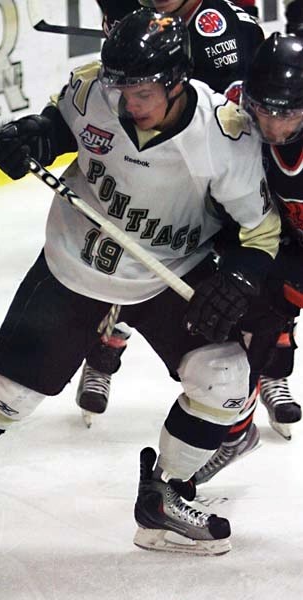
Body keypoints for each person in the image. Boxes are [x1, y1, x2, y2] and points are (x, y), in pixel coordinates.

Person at [0, 9, 281, 555]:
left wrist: (242, 273)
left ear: (177, 82)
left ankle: (166, 497)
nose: (126, 104)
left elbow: (261, 228)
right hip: (78, 262)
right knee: (7, 395)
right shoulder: (96, 90)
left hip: (169, 268)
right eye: (120, 89)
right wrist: (31, 140)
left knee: (227, 378)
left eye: (140, 93)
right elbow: (59, 127)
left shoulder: (222, 136)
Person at [79, 0, 264, 420]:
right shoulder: (131, 14)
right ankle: (104, 348)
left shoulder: (230, 26)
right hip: (161, 171)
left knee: (255, 270)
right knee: (133, 248)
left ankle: (270, 367)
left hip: (226, 173)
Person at [194, 32, 303, 482]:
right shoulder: (233, 105)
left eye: (289, 114)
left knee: (267, 315)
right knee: (231, 317)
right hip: (250, 226)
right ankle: (240, 421)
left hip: (293, 240)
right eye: (265, 110)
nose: (273, 125)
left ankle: (262, 383)